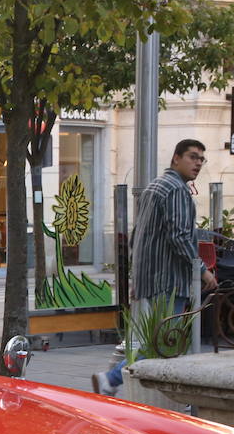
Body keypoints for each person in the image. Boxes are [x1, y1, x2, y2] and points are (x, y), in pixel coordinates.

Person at [93, 139, 218, 396]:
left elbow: (138, 233)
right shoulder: (176, 190)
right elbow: (180, 237)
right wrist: (202, 270)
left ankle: (120, 381)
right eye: (192, 157)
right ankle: (113, 379)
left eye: (200, 159)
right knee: (163, 342)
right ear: (176, 158)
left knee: (155, 340)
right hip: (169, 280)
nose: (197, 164)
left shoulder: (155, 186)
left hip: (149, 277)